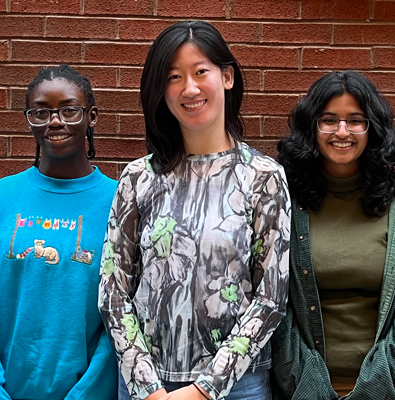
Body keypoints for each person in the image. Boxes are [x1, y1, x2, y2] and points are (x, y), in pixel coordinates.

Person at [99, 20, 291, 400]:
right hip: (146, 386)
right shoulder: (138, 178)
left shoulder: (263, 177)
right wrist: (147, 386)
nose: (189, 88)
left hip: (237, 386)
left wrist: (205, 389)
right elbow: (113, 290)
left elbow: (271, 298)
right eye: (173, 77)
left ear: (227, 77)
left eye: (200, 71)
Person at [270, 71, 395, 400]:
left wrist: (371, 391)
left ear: (372, 127)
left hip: (391, 394)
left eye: (355, 120)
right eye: (329, 120)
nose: (342, 131)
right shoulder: (283, 201)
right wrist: (312, 390)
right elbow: (274, 308)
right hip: (301, 393)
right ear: (312, 127)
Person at [0, 65, 119, 400]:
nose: (55, 121)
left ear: (91, 116)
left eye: (69, 110)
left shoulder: (122, 203)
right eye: (41, 111)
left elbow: (124, 318)